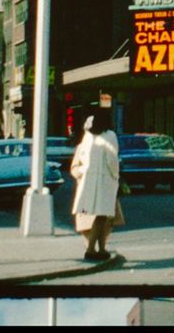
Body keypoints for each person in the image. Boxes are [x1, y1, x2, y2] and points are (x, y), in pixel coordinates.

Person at [70, 110, 121, 262]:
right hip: (104, 179)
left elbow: (84, 157)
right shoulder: (110, 136)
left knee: (99, 215)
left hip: (89, 180)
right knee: (101, 215)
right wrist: (116, 176)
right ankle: (92, 249)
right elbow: (112, 159)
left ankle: (101, 249)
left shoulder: (88, 136)